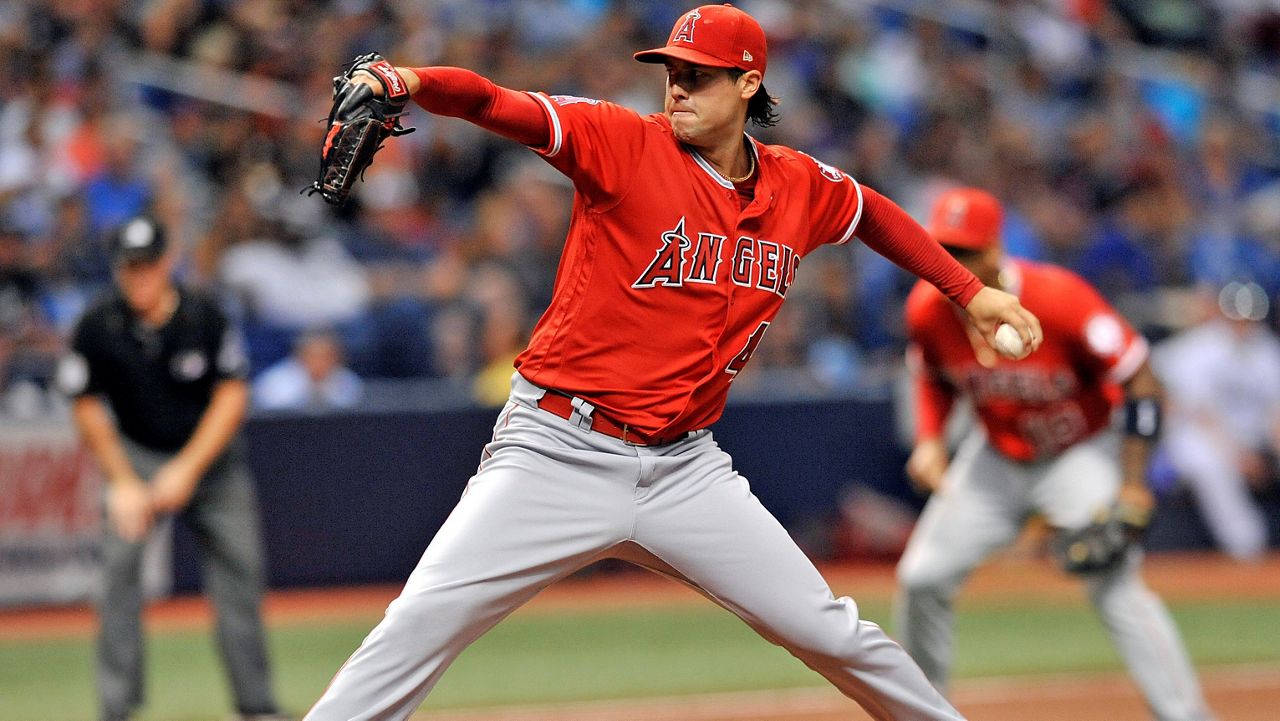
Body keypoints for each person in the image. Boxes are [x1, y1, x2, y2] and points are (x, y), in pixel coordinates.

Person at [305, 7, 1041, 720]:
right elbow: (498, 103)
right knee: (415, 629)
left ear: (750, 84)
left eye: (701, 74)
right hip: (556, 449)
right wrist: (410, 82)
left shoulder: (799, 187)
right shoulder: (622, 141)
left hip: (685, 471)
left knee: (835, 634)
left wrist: (969, 292)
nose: (678, 86)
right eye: (671, 71)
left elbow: (873, 212)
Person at [893, 187, 1213, 721]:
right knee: (921, 578)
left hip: (1077, 454)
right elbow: (931, 376)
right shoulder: (928, 307)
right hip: (994, 458)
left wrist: (1134, 483)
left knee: (1114, 585)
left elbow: (1142, 381)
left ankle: (1187, 716)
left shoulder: (1060, 298)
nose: (951, 263)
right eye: (942, 249)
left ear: (995, 251)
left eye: (965, 251)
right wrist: (930, 440)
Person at [57, 216, 287, 721]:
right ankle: (116, 710)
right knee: (117, 576)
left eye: (148, 265)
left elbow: (231, 396)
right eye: (129, 267)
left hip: (212, 464)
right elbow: (86, 404)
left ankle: (257, 707)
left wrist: (185, 469)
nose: (139, 276)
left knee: (241, 575)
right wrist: (121, 482)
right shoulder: (98, 322)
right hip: (135, 457)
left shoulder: (204, 315)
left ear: (168, 263)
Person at [1152, 280, 1280, 561]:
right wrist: (1239, 455)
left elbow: (1275, 414)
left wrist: (1270, 453)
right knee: (1206, 461)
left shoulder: (1268, 350)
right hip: (1199, 437)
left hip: (1251, 439)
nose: (1243, 322)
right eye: (1237, 315)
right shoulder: (1199, 348)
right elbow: (1201, 416)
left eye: (1250, 316)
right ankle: (1247, 549)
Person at [253, 327, 364, 411]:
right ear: (300, 355)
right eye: (314, 356)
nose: (320, 362)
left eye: (326, 356)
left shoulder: (348, 381)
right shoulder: (274, 382)